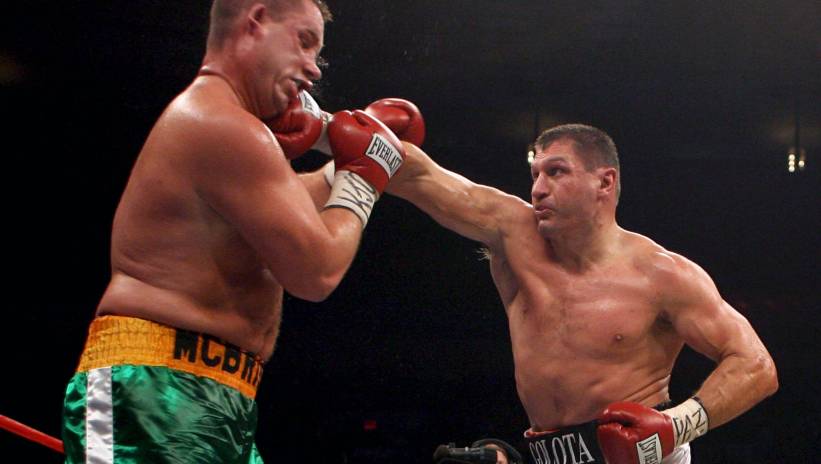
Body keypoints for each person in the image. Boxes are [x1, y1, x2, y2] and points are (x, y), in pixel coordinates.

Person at [60, 1, 409, 462]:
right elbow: (316, 271)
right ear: (256, 21)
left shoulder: (234, 132)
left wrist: (345, 163)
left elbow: (289, 213)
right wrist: (363, 178)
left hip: (220, 398)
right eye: (304, 42)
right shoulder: (219, 122)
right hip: (150, 392)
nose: (313, 68)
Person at [375, 122, 777, 464]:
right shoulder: (513, 235)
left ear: (605, 181)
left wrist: (676, 424)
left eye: (556, 172)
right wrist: (345, 130)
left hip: (641, 455)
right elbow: (422, 177)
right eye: (535, 174)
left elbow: (756, 366)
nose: (537, 189)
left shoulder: (662, 274)